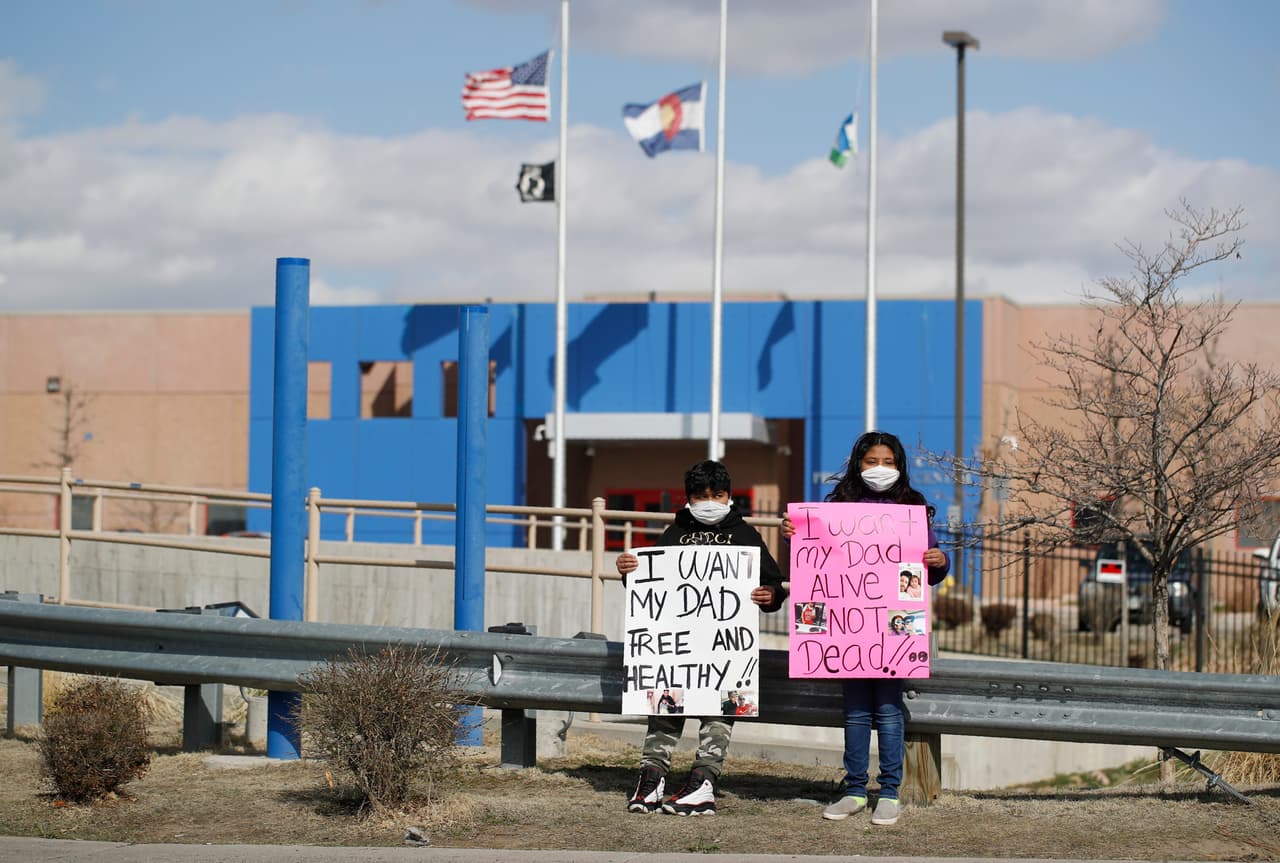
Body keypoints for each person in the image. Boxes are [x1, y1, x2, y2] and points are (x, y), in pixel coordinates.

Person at [783, 430, 949, 827]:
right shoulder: (838, 507)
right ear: (858, 463)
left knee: (890, 711)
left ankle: (889, 792)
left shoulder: (913, 508)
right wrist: (793, 538)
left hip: (893, 625)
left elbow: (930, 571)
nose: (880, 469)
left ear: (900, 466)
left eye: (888, 462)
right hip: (848, 632)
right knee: (856, 712)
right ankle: (855, 789)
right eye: (872, 461)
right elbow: (816, 564)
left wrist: (938, 559)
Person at [619, 459, 786, 817]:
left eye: (717, 494)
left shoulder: (744, 535)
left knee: (719, 713)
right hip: (674, 651)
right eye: (701, 495)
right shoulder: (675, 533)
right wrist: (629, 572)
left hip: (725, 651)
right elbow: (650, 584)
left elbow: (774, 584)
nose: (709, 501)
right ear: (688, 498)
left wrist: (769, 596)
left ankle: (704, 781)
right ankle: (651, 779)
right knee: (665, 710)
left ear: (728, 496)